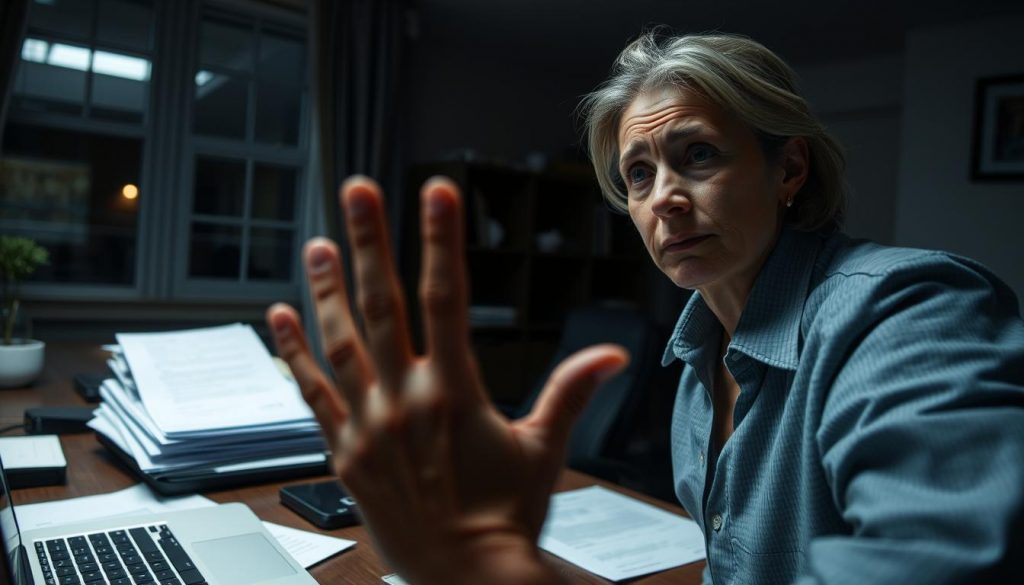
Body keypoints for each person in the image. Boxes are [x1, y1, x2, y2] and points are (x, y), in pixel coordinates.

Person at [265, 30, 1024, 584]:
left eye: (698, 154)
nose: (664, 195)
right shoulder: (696, 365)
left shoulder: (909, 310)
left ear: (789, 168)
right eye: (638, 173)